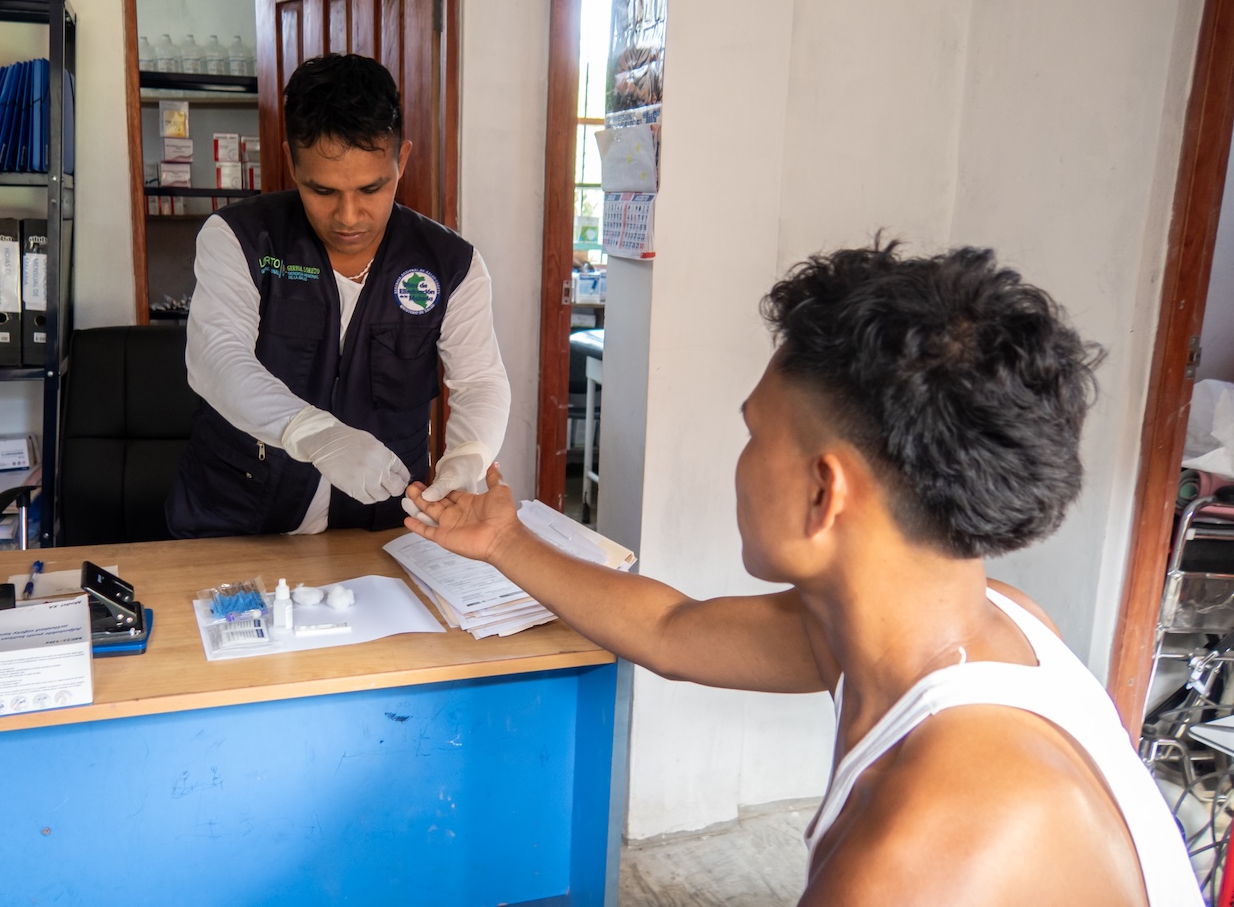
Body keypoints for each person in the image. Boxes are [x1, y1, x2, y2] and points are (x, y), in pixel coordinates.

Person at [403, 243, 1201, 905]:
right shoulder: (976, 619)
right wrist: (505, 541)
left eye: (755, 434)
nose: (742, 460)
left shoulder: (920, 854)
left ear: (826, 492)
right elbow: (672, 631)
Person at [167, 53, 509, 538]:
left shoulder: (451, 265)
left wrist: (469, 455)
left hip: (381, 529)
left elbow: (480, 382)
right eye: (322, 191)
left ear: (402, 160)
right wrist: (314, 433)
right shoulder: (239, 238)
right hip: (237, 520)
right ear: (291, 162)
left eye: (372, 188)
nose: (349, 216)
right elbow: (217, 358)